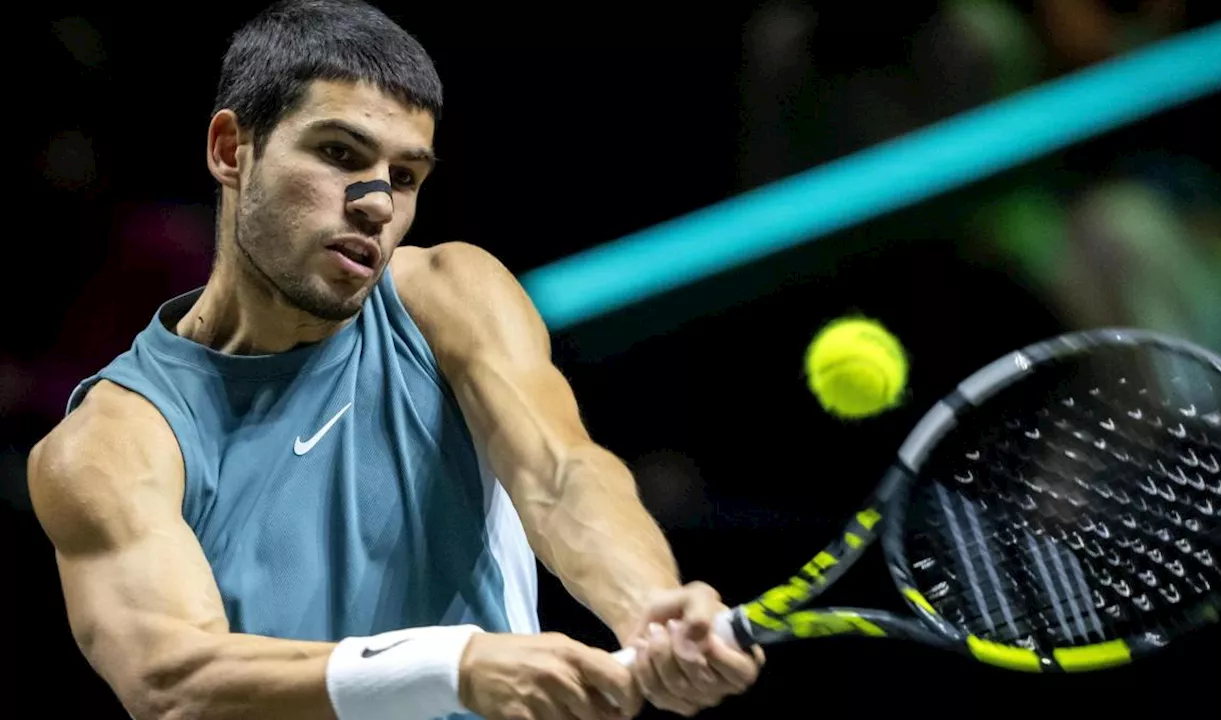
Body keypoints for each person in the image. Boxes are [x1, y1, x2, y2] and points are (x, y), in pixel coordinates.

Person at [24, 1, 763, 719]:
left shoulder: (448, 294)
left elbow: (559, 474)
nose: (378, 203)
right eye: (339, 154)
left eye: (405, 176)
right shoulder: (110, 442)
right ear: (230, 151)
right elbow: (175, 680)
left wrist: (649, 610)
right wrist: (451, 666)